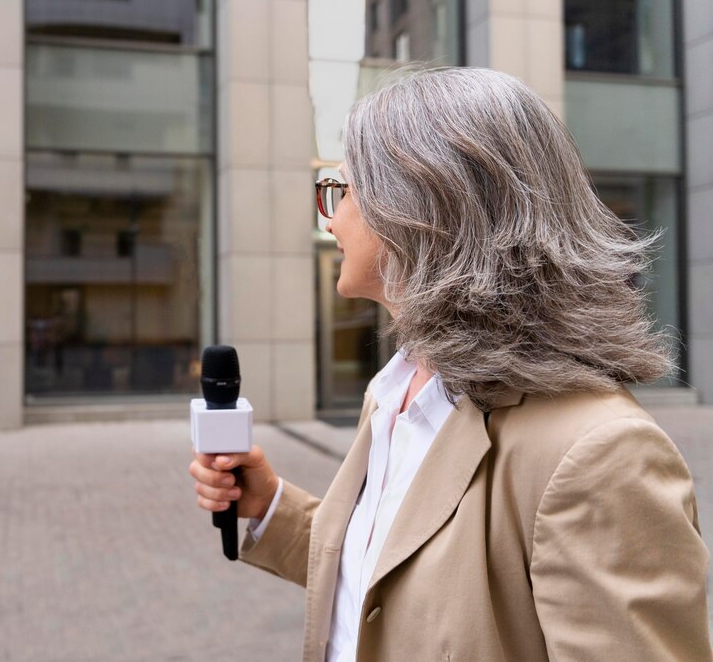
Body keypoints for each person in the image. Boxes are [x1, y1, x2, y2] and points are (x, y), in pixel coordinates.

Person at [188, 68, 712, 661]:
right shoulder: (397, 391)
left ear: (418, 207)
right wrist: (270, 506)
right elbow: (395, 577)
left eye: (344, 188)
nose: (329, 217)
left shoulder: (599, 455)